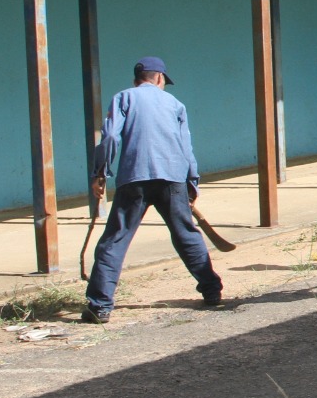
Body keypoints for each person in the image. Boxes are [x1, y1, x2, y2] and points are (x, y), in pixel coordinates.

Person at [84, 57, 222, 324]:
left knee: (115, 239)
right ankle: (212, 291)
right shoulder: (175, 104)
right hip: (172, 178)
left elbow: (110, 136)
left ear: (136, 80)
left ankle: (100, 306)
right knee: (186, 234)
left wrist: (100, 172)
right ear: (160, 78)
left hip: (134, 178)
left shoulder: (124, 97)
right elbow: (186, 147)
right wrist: (191, 182)